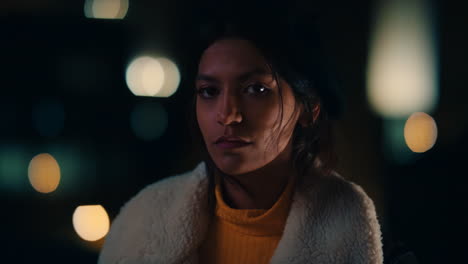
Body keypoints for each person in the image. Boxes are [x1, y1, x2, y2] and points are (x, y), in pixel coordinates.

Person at [98, 19, 384, 264]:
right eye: (209, 91)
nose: (227, 115)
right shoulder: (143, 222)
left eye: (256, 89)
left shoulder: (348, 227)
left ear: (308, 109)